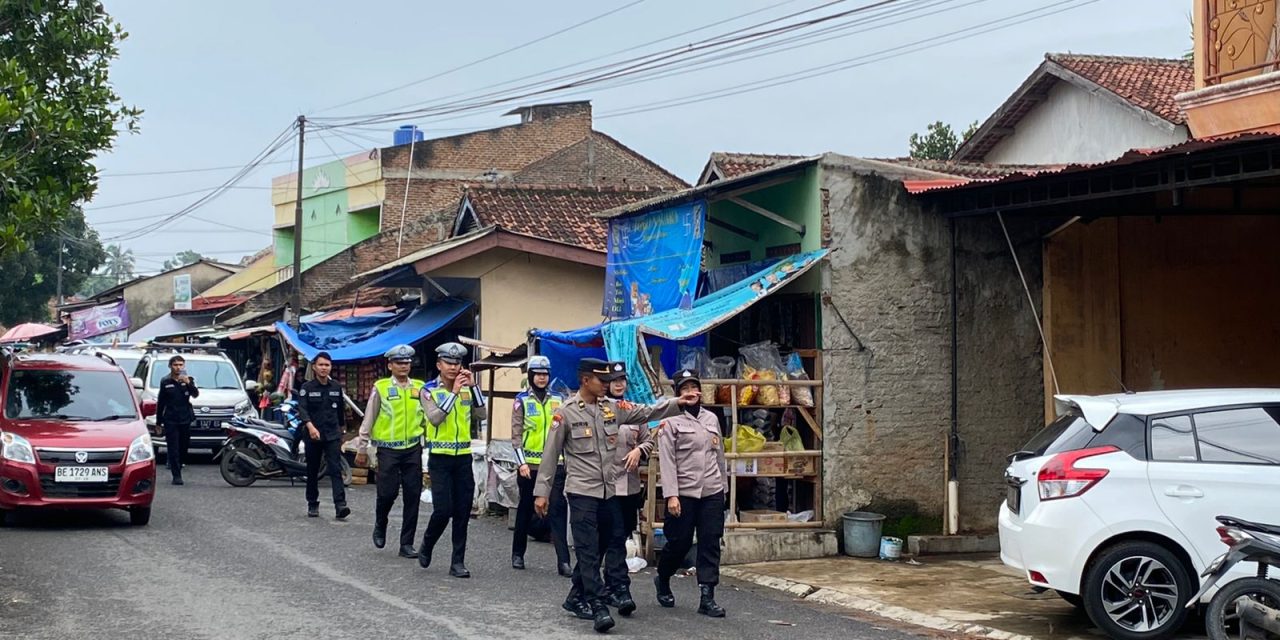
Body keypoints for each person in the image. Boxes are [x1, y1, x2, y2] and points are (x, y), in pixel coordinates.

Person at [534, 358, 698, 633]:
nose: (608, 386)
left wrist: (677, 402)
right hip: (581, 492)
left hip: (609, 493)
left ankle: (575, 597)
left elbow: (645, 412)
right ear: (586, 380)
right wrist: (542, 493)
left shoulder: (613, 409)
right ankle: (597, 605)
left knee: (603, 546)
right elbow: (550, 456)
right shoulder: (566, 413)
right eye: (603, 381)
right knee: (587, 551)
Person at [654, 369, 729, 618]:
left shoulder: (711, 418)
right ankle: (663, 578)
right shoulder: (670, 420)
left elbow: (719, 456)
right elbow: (667, 461)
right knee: (680, 542)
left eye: (694, 387)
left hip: (711, 490)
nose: (691, 393)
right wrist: (671, 495)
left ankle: (707, 597)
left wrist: (723, 489)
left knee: (710, 542)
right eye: (685, 389)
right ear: (678, 394)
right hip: (683, 492)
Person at [417, 342, 486, 578]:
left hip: (463, 457)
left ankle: (458, 561)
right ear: (439, 365)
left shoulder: (467, 389)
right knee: (443, 509)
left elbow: (482, 414)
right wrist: (454, 393)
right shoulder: (428, 390)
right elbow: (435, 419)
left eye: (457, 363)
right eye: (449, 363)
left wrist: (474, 388)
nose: (454, 367)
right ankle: (427, 543)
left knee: (463, 510)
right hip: (440, 458)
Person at [356, 344, 427, 559]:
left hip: (413, 448)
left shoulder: (420, 388)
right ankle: (380, 523)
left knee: (413, 495)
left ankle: (406, 543)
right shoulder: (382, 387)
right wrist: (362, 447)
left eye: (406, 362)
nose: (404, 366)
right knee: (387, 493)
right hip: (388, 450)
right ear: (390, 365)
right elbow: (369, 417)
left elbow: (428, 417)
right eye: (399, 363)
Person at [510, 355, 572, 573]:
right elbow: (516, 435)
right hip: (530, 466)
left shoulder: (558, 400)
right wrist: (521, 463)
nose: (542, 378)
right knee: (526, 508)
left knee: (557, 509)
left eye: (545, 374)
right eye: (537, 374)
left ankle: (563, 561)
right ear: (530, 376)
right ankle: (518, 553)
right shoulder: (522, 400)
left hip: (555, 465)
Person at [601, 371, 653, 615]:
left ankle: (612, 586)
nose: (619, 384)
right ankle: (619, 588)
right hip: (606, 486)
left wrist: (639, 450)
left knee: (619, 538)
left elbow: (648, 439)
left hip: (630, 487)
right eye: (615, 380)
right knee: (612, 538)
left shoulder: (633, 410)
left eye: (623, 380)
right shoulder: (598, 409)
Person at [295, 351, 349, 520]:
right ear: (314, 367)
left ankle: (340, 505)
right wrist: (310, 427)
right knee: (313, 470)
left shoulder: (336, 387)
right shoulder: (306, 388)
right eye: (321, 365)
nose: (324, 368)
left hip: (332, 434)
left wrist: (342, 430)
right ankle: (312, 503)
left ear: (331, 367)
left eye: (327, 365)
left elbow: (340, 411)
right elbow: (302, 410)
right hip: (313, 436)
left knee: (335, 469)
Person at [155, 355, 199, 486]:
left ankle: (179, 463)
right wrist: (158, 422)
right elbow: (161, 402)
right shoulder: (165, 381)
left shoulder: (188, 380)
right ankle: (176, 475)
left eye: (180, 365)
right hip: (170, 419)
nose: (178, 367)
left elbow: (195, 394)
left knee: (183, 446)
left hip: (185, 418)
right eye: (175, 365)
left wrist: (188, 383)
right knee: (173, 447)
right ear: (170, 366)